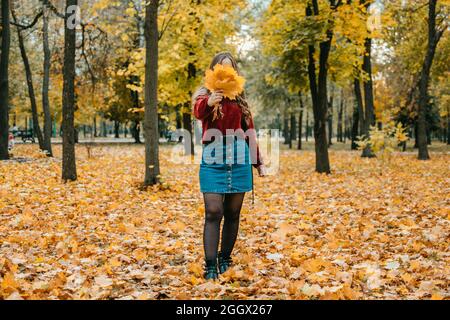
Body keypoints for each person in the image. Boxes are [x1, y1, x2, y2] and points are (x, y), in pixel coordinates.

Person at [192, 52, 267, 280]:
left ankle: (225, 258)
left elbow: (250, 131)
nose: (225, 72)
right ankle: (211, 264)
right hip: (213, 156)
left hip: (239, 157)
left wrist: (258, 162)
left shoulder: (239, 98)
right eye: (221, 67)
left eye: (230, 68)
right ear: (214, 70)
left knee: (233, 212)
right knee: (214, 211)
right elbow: (197, 112)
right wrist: (209, 102)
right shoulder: (205, 94)